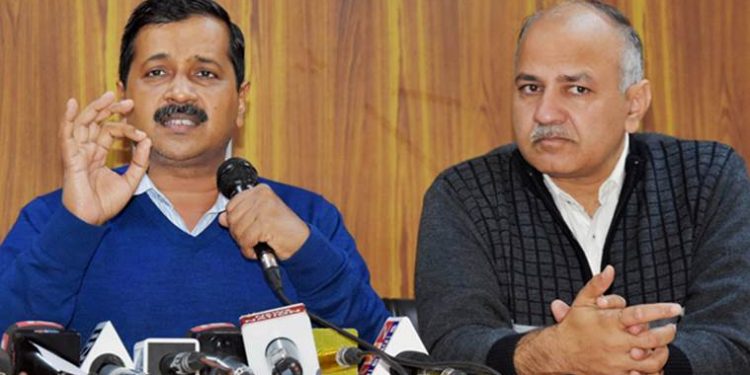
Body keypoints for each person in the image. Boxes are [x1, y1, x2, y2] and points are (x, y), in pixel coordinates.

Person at [0, 0, 389, 350]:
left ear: (240, 102)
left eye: (204, 73)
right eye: (156, 72)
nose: (180, 93)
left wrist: (304, 252)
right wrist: (75, 228)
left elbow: (380, 354)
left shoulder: (308, 218)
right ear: (124, 98)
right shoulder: (56, 217)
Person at [415, 1, 750, 374]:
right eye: (530, 87)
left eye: (576, 89)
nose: (544, 113)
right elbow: (452, 341)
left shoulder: (706, 178)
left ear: (634, 104)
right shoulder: (465, 195)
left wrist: (643, 361)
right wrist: (551, 353)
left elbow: (736, 335)